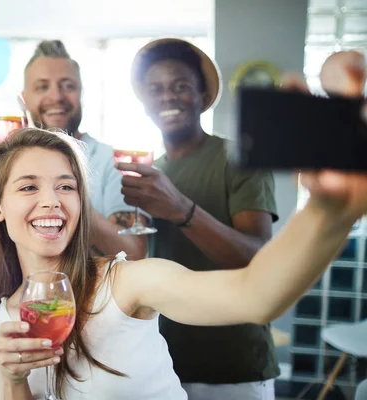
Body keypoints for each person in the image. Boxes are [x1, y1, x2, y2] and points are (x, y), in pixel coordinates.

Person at [0, 49, 367, 399]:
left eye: (66, 186)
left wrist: (328, 211)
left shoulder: (126, 283)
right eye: (28, 186)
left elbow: (256, 294)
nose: (51, 201)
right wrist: (13, 382)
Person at [118, 38, 278, 399]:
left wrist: (180, 208)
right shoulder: (150, 173)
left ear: (203, 96)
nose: (168, 98)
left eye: (181, 87)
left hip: (234, 366)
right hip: (163, 362)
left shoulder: (239, 157)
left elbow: (257, 258)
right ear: (144, 104)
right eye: (155, 89)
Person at [21, 40, 148, 260]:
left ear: (82, 93)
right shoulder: (13, 165)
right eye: (42, 87)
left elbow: (134, 252)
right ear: (24, 99)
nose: (56, 96)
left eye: (68, 85)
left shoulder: (113, 162)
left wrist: (71, 201)